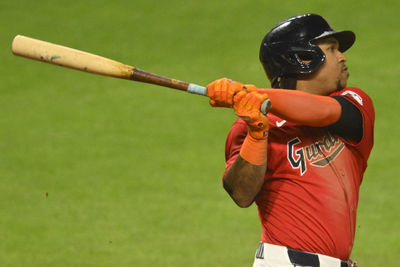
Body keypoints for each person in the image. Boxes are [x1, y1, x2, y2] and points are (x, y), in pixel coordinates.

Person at [206, 14, 374, 267]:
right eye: (331, 49)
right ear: (303, 59)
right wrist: (257, 133)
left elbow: (323, 112)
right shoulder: (250, 125)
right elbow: (241, 194)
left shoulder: (355, 104)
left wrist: (255, 96)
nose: (342, 57)